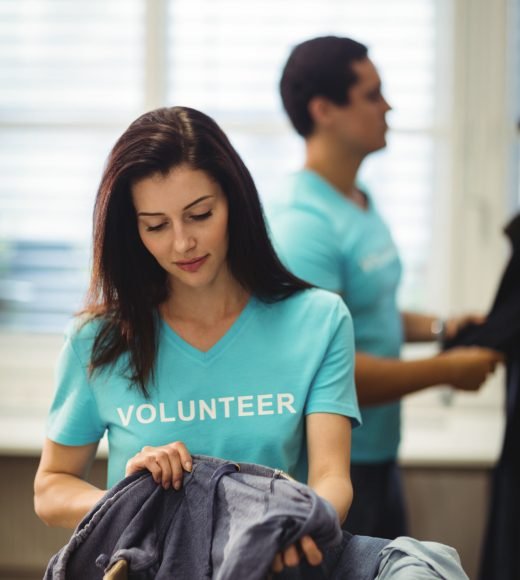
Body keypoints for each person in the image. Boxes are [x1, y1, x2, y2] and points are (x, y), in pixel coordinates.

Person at [33, 106, 362, 573]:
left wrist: (308, 521)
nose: (182, 243)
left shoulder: (318, 320)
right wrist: (134, 504)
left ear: (234, 203)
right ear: (133, 230)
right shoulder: (96, 339)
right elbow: (50, 487)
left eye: (200, 214)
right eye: (156, 225)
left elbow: (331, 476)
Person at [267, 36, 504, 539]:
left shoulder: (358, 199)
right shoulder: (302, 224)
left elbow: (366, 313)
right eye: (373, 95)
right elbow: (324, 368)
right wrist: (445, 371)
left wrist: (440, 328)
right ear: (324, 110)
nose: (388, 107)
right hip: (330, 474)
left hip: (379, 454)